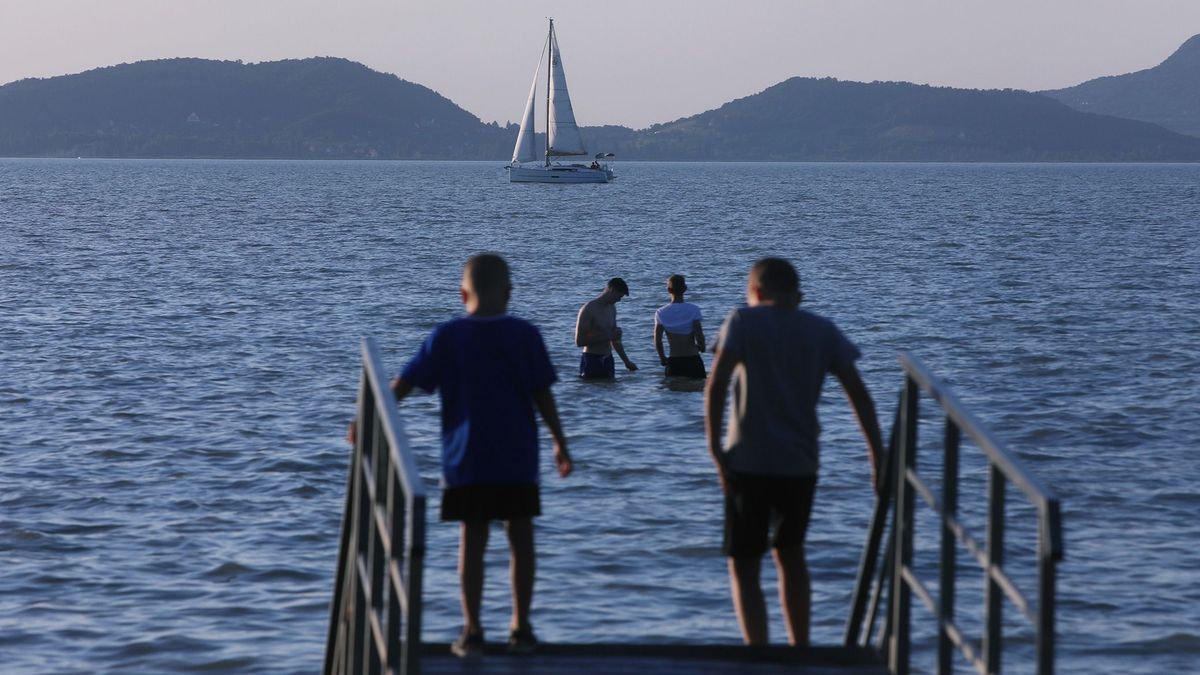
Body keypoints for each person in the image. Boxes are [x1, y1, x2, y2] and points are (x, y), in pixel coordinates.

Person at [360, 253, 572, 658]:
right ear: (510, 293)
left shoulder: (447, 337)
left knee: (471, 541)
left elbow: (403, 385)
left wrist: (366, 416)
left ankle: (472, 630)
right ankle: (520, 627)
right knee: (520, 538)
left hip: (466, 460)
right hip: (518, 459)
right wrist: (560, 442)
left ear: (462, 294)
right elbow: (542, 393)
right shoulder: (525, 335)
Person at [704, 257, 883, 647]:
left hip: (746, 461)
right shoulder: (821, 328)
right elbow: (859, 395)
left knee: (745, 563)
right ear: (798, 296)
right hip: (800, 463)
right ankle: (799, 649)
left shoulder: (742, 321)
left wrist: (714, 449)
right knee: (791, 554)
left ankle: (759, 652)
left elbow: (715, 385)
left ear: (755, 292)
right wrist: (877, 455)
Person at [574, 277, 638, 379]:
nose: (619, 300)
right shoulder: (588, 309)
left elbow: (615, 339)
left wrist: (627, 362)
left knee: (611, 392)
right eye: (619, 296)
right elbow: (579, 341)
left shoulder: (612, 308)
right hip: (592, 359)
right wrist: (608, 336)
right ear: (612, 290)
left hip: (608, 359)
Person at [653, 274, 707, 378]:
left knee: (674, 390)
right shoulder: (693, 310)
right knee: (697, 389)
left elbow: (657, 340)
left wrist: (662, 358)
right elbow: (699, 335)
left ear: (669, 290)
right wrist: (702, 347)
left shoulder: (661, 312)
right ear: (685, 289)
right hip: (693, 359)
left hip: (674, 360)